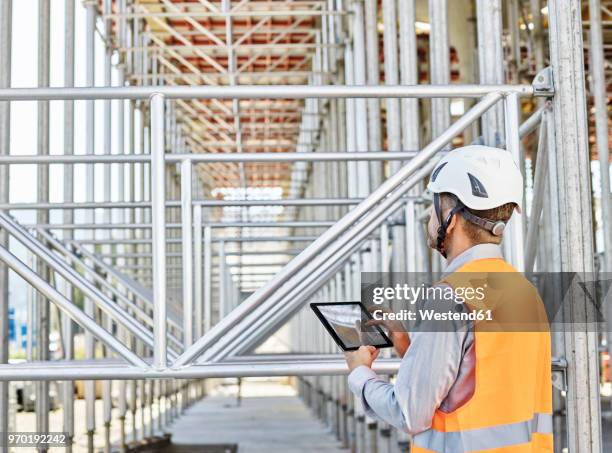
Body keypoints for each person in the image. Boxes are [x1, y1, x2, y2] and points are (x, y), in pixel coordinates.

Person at [344, 145, 553, 452]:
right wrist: (409, 347)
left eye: (434, 206)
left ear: (450, 219)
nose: (430, 216)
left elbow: (409, 412)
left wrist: (359, 374)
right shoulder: (525, 292)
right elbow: (482, 380)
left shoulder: (448, 297)